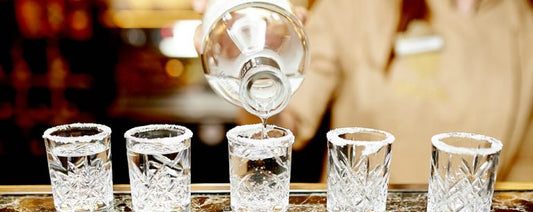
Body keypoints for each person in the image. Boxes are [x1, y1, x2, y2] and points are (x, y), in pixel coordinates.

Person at [197, 0, 533, 184]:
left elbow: (524, 173)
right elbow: (286, 120)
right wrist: (254, 54)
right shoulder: (358, 7)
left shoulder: (524, 22)